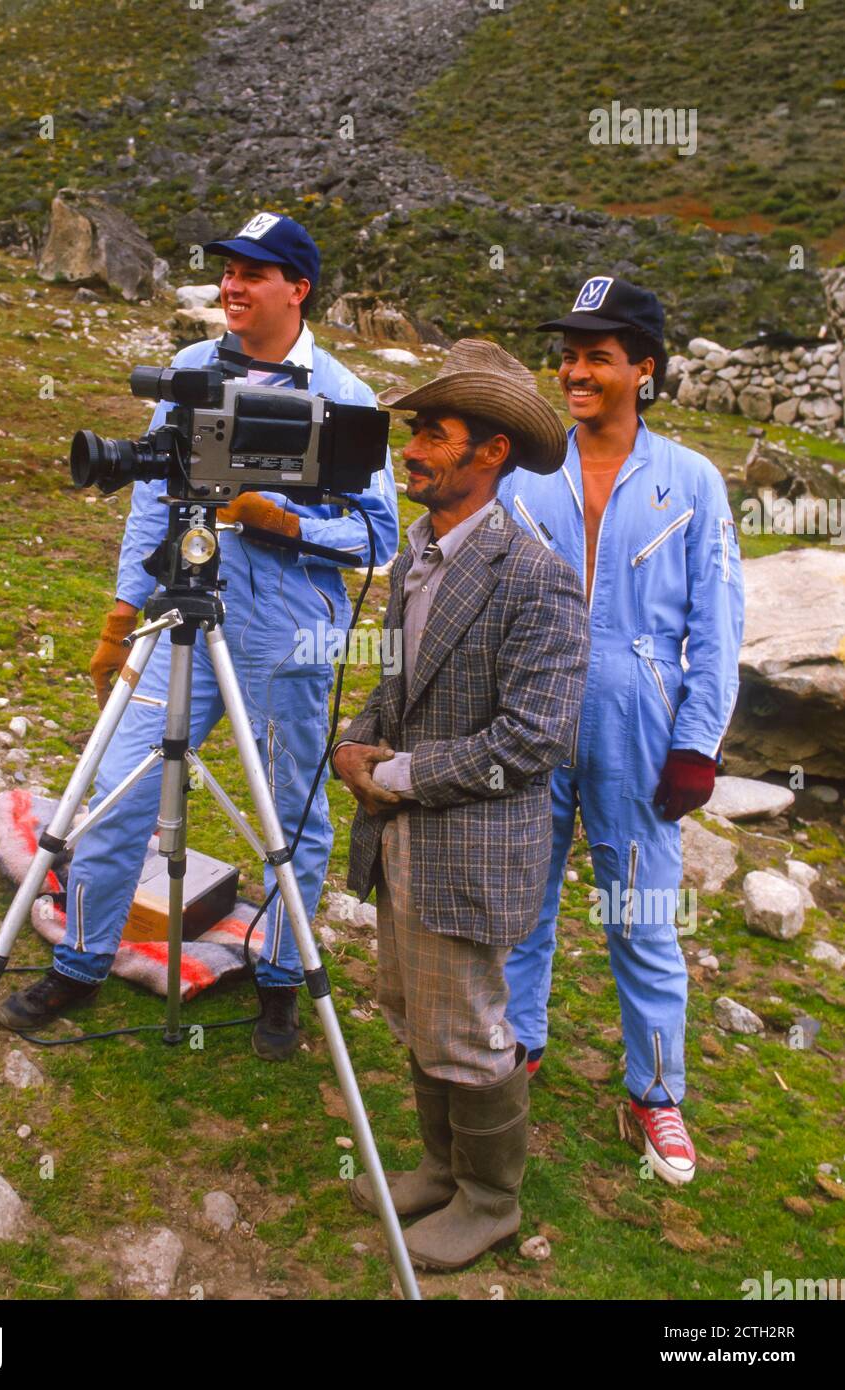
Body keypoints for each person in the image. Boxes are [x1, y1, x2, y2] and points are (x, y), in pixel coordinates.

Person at [0, 213, 398, 1060]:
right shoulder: (187, 369)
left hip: (290, 632)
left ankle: (284, 983)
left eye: (254, 272)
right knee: (117, 784)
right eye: (227, 271)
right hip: (180, 605)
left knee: (290, 809)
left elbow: (379, 539)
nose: (233, 286)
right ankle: (81, 962)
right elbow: (154, 498)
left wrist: (278, 518)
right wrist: (119, 617)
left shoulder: (345, 394)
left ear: (299, 288)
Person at [332, 340, 590, 1270]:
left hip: (469, 848)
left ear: (492, 454)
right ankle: (442, 1171)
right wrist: (357, 737)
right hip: (403, 844)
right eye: (413, 433)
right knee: (416, 1012)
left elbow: (532, 741)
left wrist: (392, 776)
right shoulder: (415, 557)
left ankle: (491, 1200)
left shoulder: (538, 577)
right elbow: (397, 682)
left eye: (433, 434)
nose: (411, 451)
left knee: (473, 1032)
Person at [498, 276, 745, 1184]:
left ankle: (655, 1091)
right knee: (521, 892)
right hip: (530, 707)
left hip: (639, 721)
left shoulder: (692, 480)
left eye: (597, 356)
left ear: (643, 367)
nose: (575, 371)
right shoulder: (525, 469)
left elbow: (718, 622)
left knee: (640, 913)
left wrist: (698, 743)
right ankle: (517, 1045)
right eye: (568, 355)